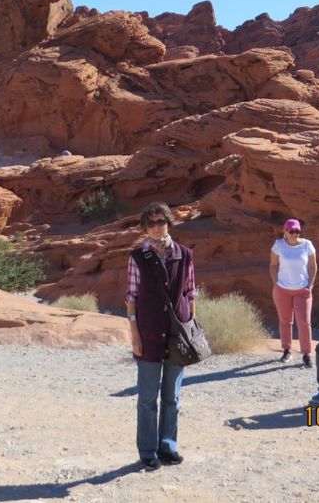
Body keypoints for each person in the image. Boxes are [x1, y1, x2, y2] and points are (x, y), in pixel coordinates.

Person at [125, 201, 197, 471]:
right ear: (146, 227)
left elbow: (191, 293)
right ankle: (147, 451)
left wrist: (190, 328)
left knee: (172, 397)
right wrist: (134, 333)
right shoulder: (137, 257)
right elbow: (131, 297)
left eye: (161, 222)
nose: (157, 227)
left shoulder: (184, 255)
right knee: (147, 398)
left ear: (169, 223)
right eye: (151, 223)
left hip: (178, 335)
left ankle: (168, 446)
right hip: (149, 333)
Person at [269, 218, 317, 368]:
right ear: (285, 231)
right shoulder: (279, 245)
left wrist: (310, 284)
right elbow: (273, 265)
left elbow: (313, 266)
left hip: (302, 290)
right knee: (285, 321)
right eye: (292, 231)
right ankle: (286, 350)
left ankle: (306, 354)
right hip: (282, 289)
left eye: (297, 231)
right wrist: (276, 283)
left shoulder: (307, 245)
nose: (295, 234)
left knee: (304, 322)